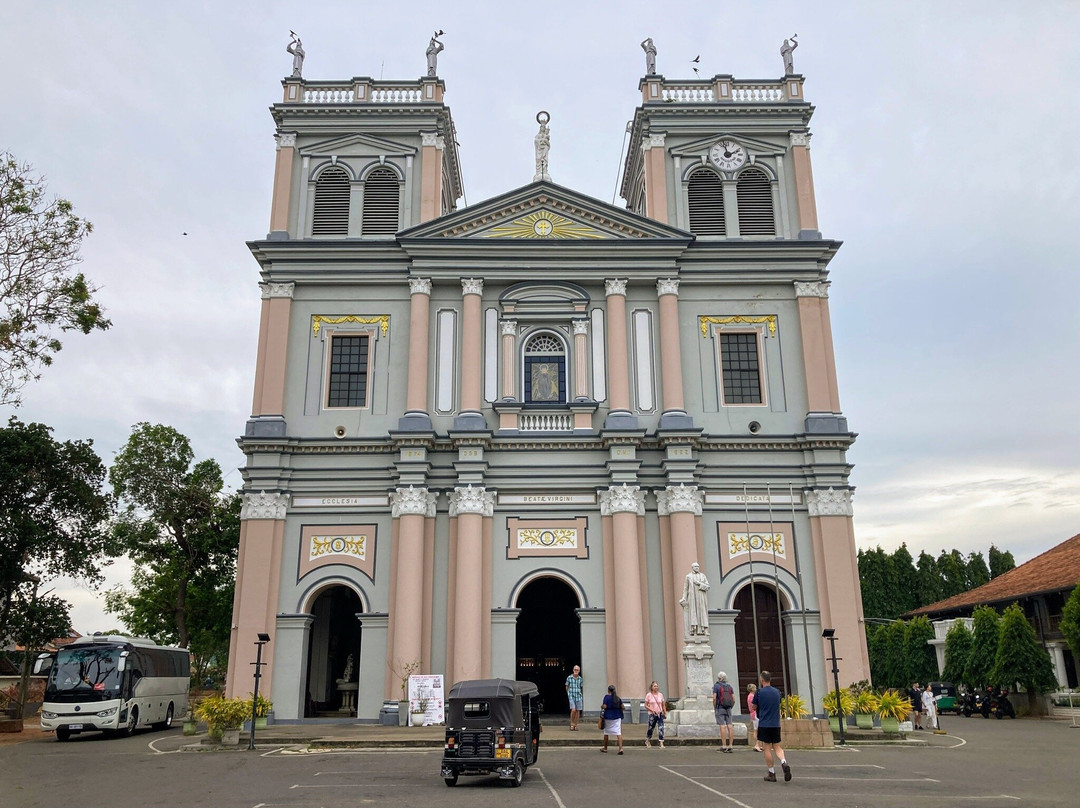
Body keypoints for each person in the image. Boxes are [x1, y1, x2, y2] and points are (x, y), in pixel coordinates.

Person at [755, 670, 791, 782]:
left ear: (762, 680)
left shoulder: (759, 692)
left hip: (764, 723)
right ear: (770, 679)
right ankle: (783, 762)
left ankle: (771, 772)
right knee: (777, 746)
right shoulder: (777, 692)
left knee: (767, 747)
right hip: (775, 723)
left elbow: (753, 706)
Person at [680, 562, 711, 638]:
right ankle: (694, 629)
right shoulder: (688, 576)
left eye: (698, 566)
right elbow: (686, 588)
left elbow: (707, 586)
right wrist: (684, 598)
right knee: (693, 613)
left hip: (701, 597)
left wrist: (699, 583)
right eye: (695, 566)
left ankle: (704, 629)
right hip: (692, 598)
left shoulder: (702, 576)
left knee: (702, 612)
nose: (697, 568)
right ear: (692, 568)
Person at [712, 671, 735, 752]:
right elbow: (733, 699)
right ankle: (731, 745)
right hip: (728, 708)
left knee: (722, 726)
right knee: (730, 726)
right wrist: (731, 706)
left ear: (718, 678)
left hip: (720, 707)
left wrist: (715, 707)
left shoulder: (716, 686)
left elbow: (714, 698)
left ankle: (724, 745)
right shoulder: (729, 686)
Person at [600, 684, 625, 754]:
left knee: (606, 733)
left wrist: (602, 706)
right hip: (617, 717)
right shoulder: (618, 698)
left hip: (608, 717)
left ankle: (605, 748)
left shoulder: (606, 697)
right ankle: (620, 748)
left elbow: (604, 706)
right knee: (618, 732)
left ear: (608, 690)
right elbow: (623, 707)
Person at [644, 681, 666, 748]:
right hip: (652, 714)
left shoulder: (660, 695)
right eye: (654, 686)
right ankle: (648, 740)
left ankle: (661, 742)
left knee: (661, 727)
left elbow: (663, 704)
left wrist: (664, 712)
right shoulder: (649, 695)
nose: (656, 687)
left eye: (657, 686)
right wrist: (652, 710)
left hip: (659, 713)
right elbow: (645, 705)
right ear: (652, 687)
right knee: (651, 728)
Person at [565, 664, 583, 731]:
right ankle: (572, 723)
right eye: (575, 669)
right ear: (573, 670)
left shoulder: (580, 679)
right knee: (573, 710)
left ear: (579, 671)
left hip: (578, 696)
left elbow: (581, 687)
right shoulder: (569, 678)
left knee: (578, 711)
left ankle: (576, 724)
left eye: (577, 670)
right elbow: (567, 686)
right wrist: (568, 693)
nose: (576, 671)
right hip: (571, 696)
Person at [747, 683, 762, 752]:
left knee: (756, 729)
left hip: (752, 713)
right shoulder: (752, 696)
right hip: (755, 713)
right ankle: (757, 744)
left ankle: (758, 744)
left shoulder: (749, 696)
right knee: (757, 730)